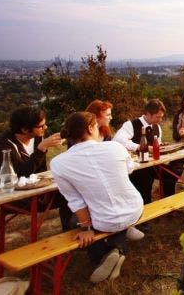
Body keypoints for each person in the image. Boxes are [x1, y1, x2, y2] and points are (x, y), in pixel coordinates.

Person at [51, 112, 143, 283]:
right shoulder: (115, 147)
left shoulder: (58, 163)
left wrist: (85, 229)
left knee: (74, 221)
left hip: (104, 221)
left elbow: (75, 201)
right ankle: (118, 247)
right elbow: (130, 168)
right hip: (134, 209)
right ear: (90, 128)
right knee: (111, 213)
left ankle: (106, 254)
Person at [0, 106, 72, 230]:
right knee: (67, 196)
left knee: (72, 191)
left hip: (34, 190)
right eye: (41, 126)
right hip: (11, 196)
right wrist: (41, 149)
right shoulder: (1, 146)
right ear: (25, 129)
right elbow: (22, 173)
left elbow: (39, 172)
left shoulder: (36, 138)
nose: (45, 128)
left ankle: (72, 232)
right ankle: (69, 234)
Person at [113, 99, 165, 204]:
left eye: (161, 117)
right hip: (136, 167)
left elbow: (158, 143)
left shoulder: (157, 127)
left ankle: (169, 206)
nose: (160, 120)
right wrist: (139, 147)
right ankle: (144, 211)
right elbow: (117, 140)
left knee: (170, 175)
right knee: (145, 181)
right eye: (157, 117)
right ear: (148, 114)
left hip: (153, 163)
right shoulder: (131, 125)